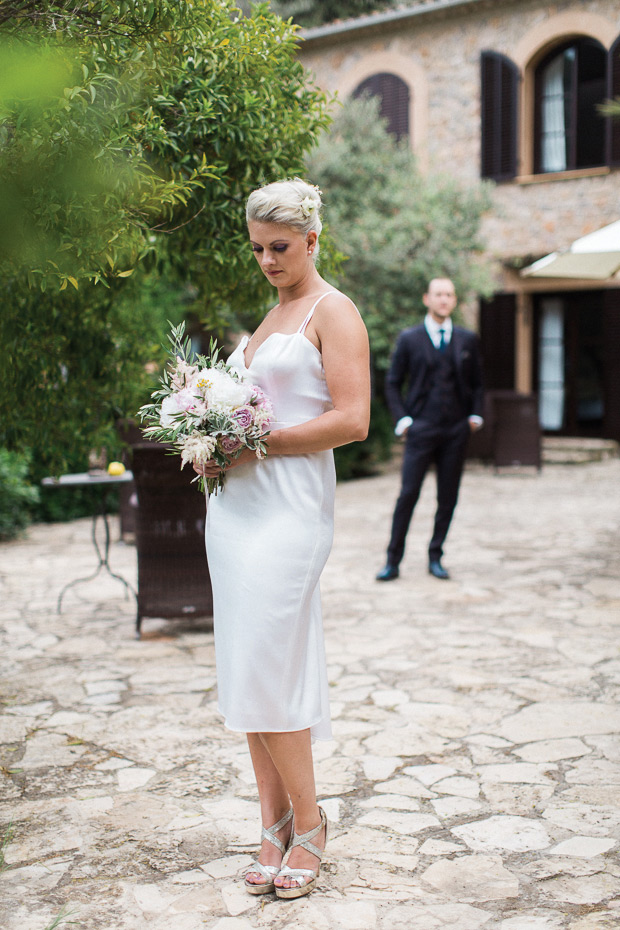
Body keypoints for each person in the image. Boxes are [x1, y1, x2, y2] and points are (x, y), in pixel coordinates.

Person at [194, 178, 370, 899]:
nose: (268, 260)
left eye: (281, 247)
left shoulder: (335, 312)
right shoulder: (267, 321)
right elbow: (242, 418)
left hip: (291, 515)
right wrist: (207, 440)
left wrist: (256, 445)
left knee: (270, 661)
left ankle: (311, 821)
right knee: (247, 668)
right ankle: (271, 826)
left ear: (313, 239)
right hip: (235, 516)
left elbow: (354, 420)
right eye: (259, 249)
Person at [376, 277, 484, 582]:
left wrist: (475, 415)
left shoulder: (467, 339)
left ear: (454, 300)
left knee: (448, 496)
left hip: (456, 430)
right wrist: (403, 420)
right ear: (427, 298)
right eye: (438, 294)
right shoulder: (409, 339)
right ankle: (392, 560)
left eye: (449, 294)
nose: (443, 299)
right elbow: (393, 383)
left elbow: (478, 384)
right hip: (421, 428)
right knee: (408, 493)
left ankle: (436, 556)